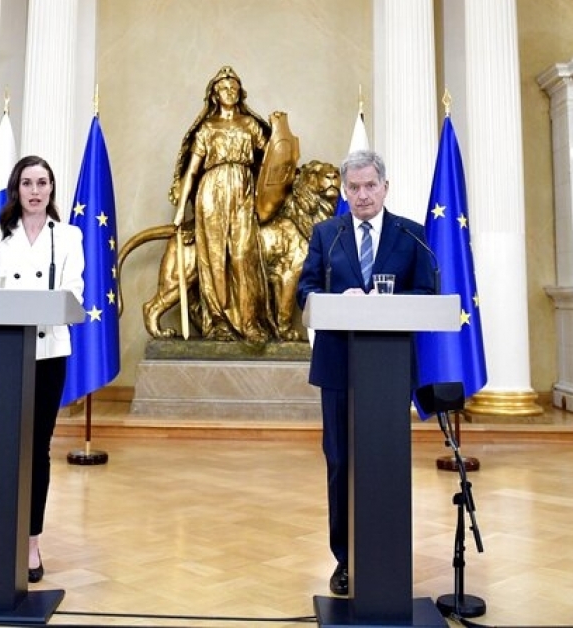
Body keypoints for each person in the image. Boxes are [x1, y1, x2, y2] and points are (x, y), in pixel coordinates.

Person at [296, 149, 438, 598]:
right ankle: (345, 559)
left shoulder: (410, 235)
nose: (362, 195)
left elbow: (426, 290)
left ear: (385, 187)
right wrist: (340, 300)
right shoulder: (327, 235)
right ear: (344, 190)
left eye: (369, 186)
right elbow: (306, 289)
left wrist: (387, 303)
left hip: (389, 369)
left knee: (384, 462)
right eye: (353, 188)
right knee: (340, 463)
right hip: (339, 365)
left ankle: (387, 557)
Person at [0, 154, 84, 584]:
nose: (34, 191)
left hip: (49, 354)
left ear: (51, 189)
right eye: (27, 183)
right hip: (4, 353)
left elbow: (74, 290)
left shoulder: (67, 236)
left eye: (42, 183)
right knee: (4, 445)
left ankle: (30, 541)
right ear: (17, 189)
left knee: (37, 448)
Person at [170, 66, 272, 344]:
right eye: (225, 88)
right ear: (215, 94)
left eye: (234, 88)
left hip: (243, 189)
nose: (230, 92)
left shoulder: (250, 125)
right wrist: (181, 209)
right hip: (211, 191)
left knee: (243, 256)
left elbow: (271, 158)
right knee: (213, 257)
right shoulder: (207, 128)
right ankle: (218, 321)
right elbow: (192, 171)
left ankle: (249, 321)